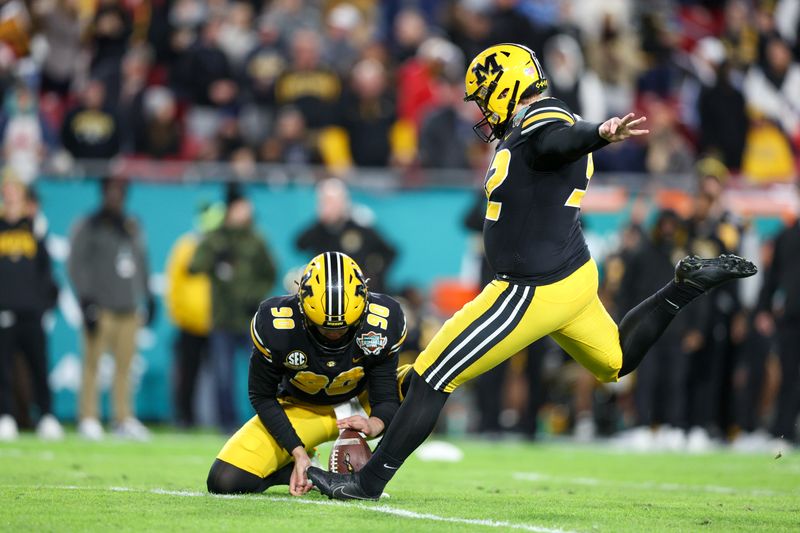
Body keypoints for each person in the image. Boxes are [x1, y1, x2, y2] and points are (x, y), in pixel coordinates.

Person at [308, 43, 757, 500]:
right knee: (616, 360)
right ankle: (681, 289)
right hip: (570, 275)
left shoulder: (544, 120)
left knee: (434, 375)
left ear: (508, 87)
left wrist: (598, 132)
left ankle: (367, 484)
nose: (482, 109)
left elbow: (554, 142)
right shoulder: (538, 121)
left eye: (485, 95)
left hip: (531, 287)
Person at [206, 252, 410, 495]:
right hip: (302, 409)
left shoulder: (384, 319)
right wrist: (297, 451)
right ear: (301, 303)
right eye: (323, 327)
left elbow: (386, 392)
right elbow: (262, 396)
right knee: (224, 481)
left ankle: (376, 472)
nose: (334, 335)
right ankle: (310, 471)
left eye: (345, 327)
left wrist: (376, 423)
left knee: (422, 380)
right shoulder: (276, 324)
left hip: (360, 403)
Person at [68, 176, 154, 441]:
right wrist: (86, 299)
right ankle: (89, 417)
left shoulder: (131, 225)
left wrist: (148, 296)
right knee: (92, 364)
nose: (116, 196)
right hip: (101, 306)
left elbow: (141, 262)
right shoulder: (89, 225)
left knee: (124, 368)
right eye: (112, 191)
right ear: (103, 193)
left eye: (120, 191)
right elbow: (76, 264)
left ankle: (123, 418)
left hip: (128, 308)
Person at [189, 186, 276, 432]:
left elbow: (269, 273)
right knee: (223, 376)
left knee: (260, 374)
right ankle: (225, 424)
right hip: (223, 319)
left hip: (250, 319)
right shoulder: (215, 238)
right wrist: (214, 256)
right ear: (231, 208)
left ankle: (263, 422)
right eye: (242, 206)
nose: (246, 211)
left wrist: (256, 296)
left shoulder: (256, 239)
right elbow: (194, 266)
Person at [0, 171, 62, 441]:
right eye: (8, 193)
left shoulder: (35, 228)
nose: (11, 198)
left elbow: (46, 271)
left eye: (16, 193)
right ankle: (5, 417)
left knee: (39, 366)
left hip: (32, 312)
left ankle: (47, 416)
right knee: (3, 370)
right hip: (3, 311)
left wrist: (45, 304)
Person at [163, 202, 224, 428]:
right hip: (191, 322)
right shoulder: (186, 246)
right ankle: (184, 418)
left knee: (220, 376)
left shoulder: (221, 246)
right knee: (187, 374)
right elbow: (175, 283)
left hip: (216, 322)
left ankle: (217, 421)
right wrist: (180, 314)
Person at [296, 178, 396, 294]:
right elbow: (300, 244)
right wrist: (320, 222)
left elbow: (390, 251)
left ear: (343, 202)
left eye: (332, 201)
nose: (328, 206)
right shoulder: (320, 230)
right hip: (327, 290)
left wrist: (374, 275)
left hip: (358, 291)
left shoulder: (359, 226)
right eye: (324, 202)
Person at [755, 187, 800, 447]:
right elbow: (771, 277)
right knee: (787, 376)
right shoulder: (786, 236)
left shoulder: (786, 235)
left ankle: (784, 431)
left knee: (788, 376)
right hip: (791, 320)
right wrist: (763, 308)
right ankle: (783, 430)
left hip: (790, 317)